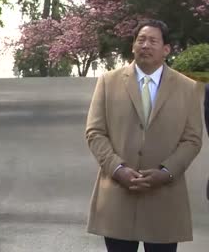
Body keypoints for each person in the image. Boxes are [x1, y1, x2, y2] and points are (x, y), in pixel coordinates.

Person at [85, 19, 204, 252]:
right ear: (133, 46)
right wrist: (118, 169)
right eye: (141, 40)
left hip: (165, 199)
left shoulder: (187, 88)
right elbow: (95, 132)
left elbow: (192, 139)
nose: (145, 45)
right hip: (118, 196)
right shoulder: (108, 82)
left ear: (166, 49)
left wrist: (166, 172)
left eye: (153, 41)